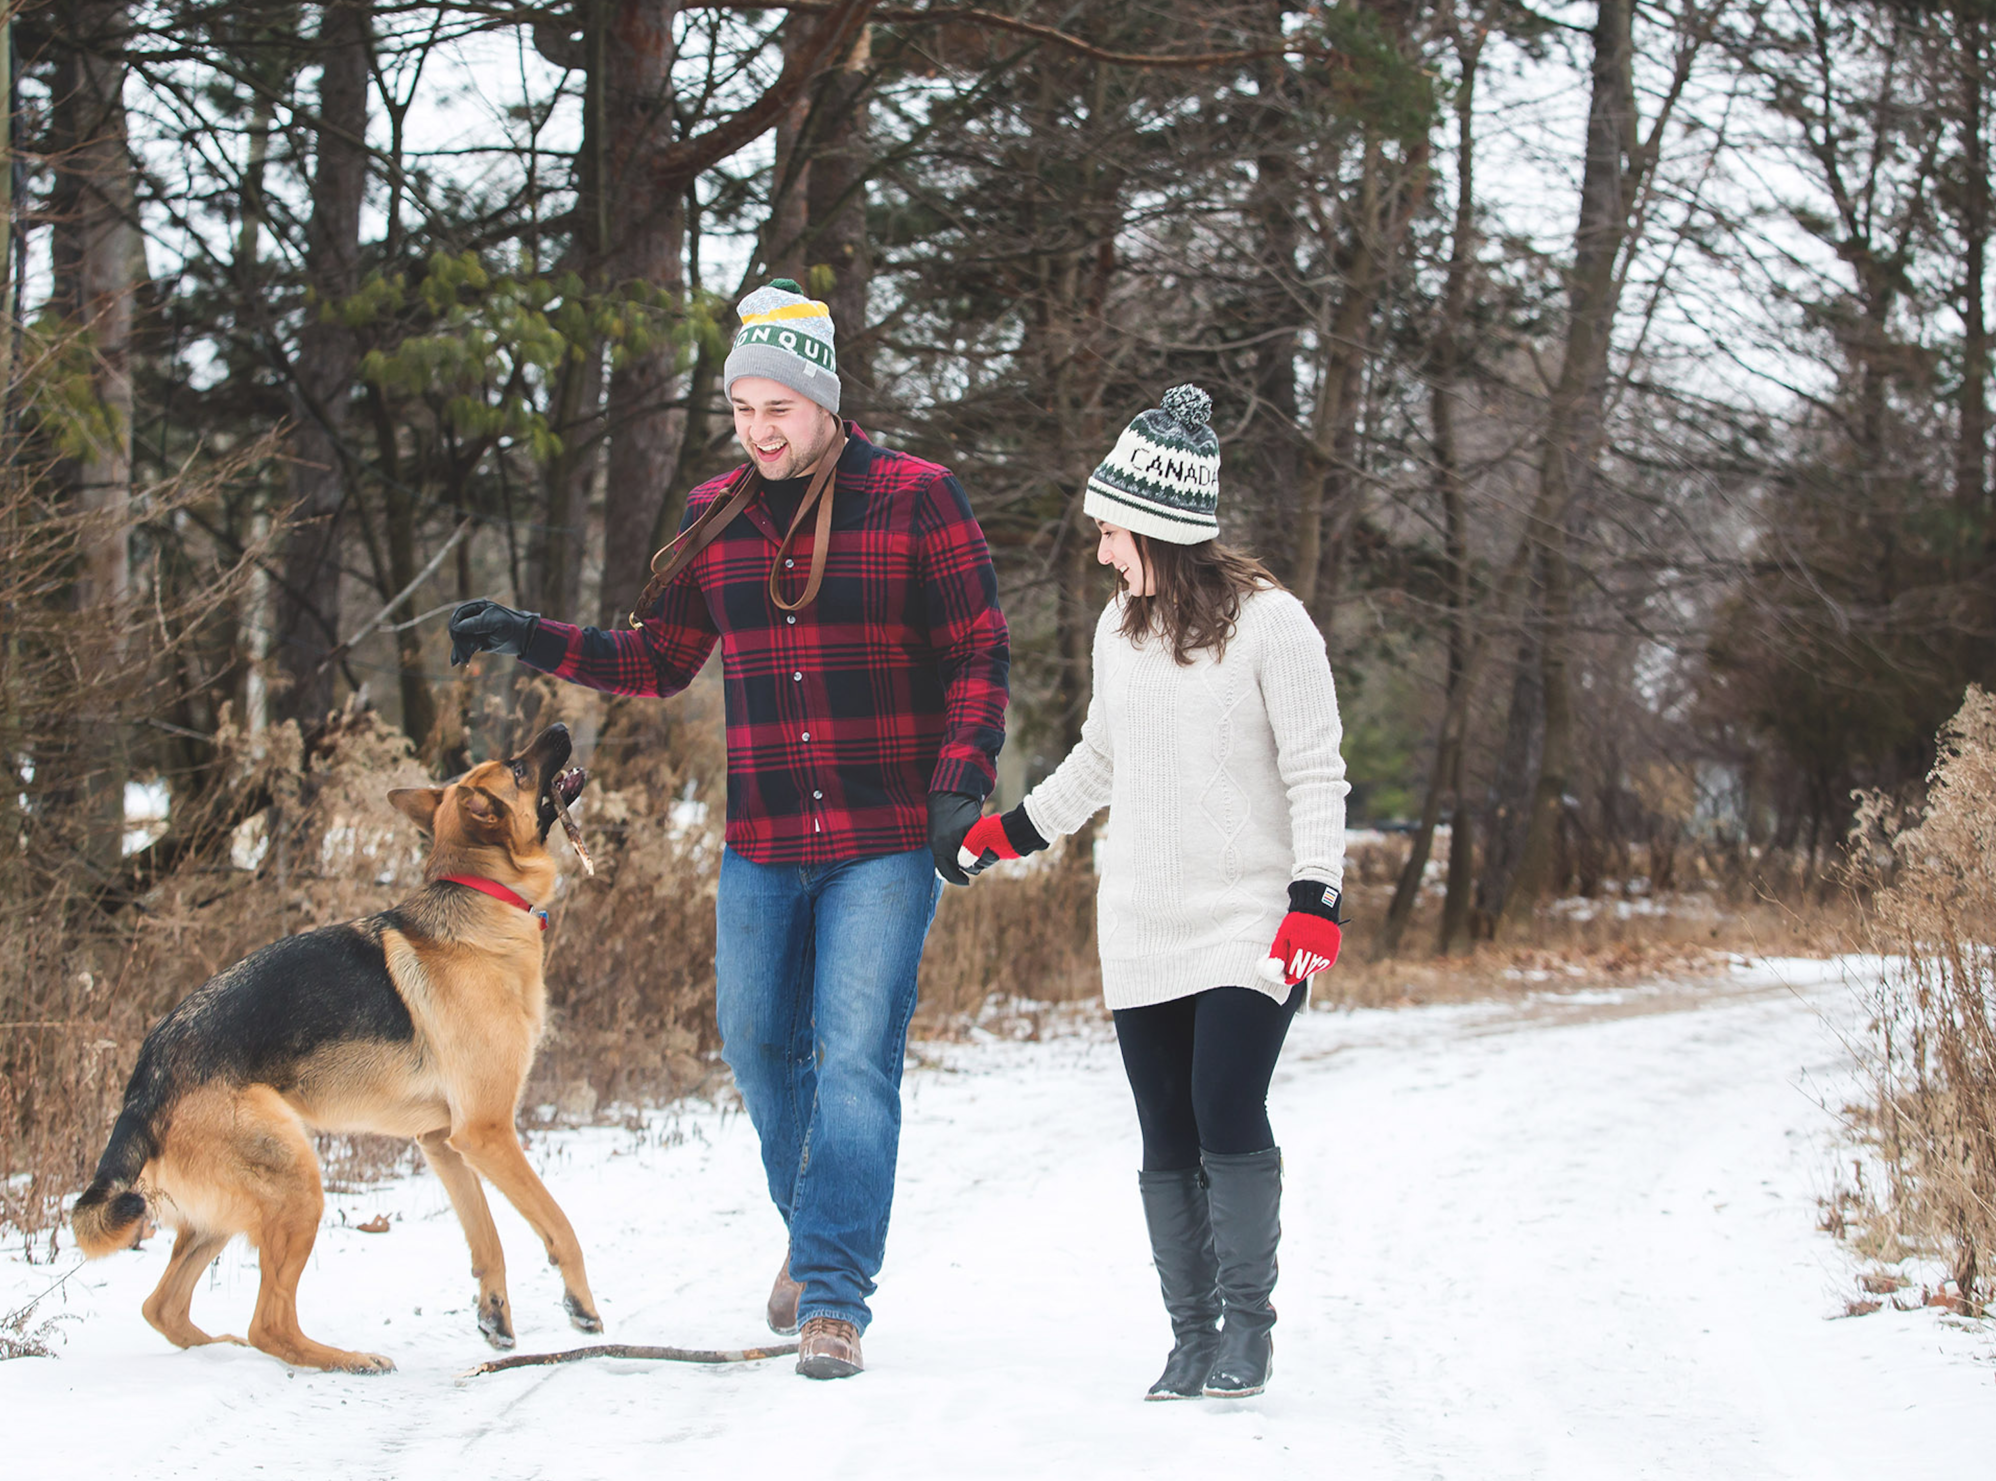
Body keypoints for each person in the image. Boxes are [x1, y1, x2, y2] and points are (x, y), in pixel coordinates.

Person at [446, 279, 1009, 1380]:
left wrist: (960, 780)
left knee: (854, 1060)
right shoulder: (719, 513)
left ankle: (834, 1294)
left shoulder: (915, 498)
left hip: (884, 835)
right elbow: (656, 660)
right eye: (743, 410)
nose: (758, 432)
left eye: (778, 411)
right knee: (757, 1047)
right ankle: (814, 1231)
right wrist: (530, 634)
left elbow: (980, 649)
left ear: (826, 403)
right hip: (761, 840)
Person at [959, 384, 1346, 1401]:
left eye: (1108, 531)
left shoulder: (1274, 627)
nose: (1098, 550)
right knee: (1165, 1131)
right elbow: (1099, 760)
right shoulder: (1118, 630)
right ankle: (1190, 1334)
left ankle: (1248, 1328)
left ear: (1157, 527)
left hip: (1253, 917)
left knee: (1225, 1103)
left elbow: (1315, 770)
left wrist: (1317, 896)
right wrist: (1006, 833)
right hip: (1138, 920)